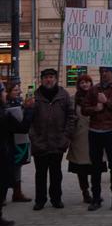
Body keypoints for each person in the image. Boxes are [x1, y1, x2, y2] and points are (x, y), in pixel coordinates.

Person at [29, 68, 75, 210]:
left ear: (55, 79)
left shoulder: (63, 95)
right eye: (46, 77)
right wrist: (34, 137)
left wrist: (65, 136)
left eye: (51, 77)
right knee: (40, 173)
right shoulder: (34, 96)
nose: (49, 80)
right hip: (40, 141)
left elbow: (71, 116)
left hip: (57, 141)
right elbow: (29, 119)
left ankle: (56, 198)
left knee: (56, 173)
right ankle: (40, 200)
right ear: (42, 79)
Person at [82, 66, 112, 211]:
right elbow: (84, 109)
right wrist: (96, 108)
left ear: (111, 73)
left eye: (106, 71)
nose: (103, 74)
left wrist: (107, 102)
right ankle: (96, 198)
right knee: (95, 167)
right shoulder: (94, 89)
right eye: (101, 71)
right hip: (94, 131)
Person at [0, 83, 34, 226]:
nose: (5, 94)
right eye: (4, 91)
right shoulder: (3, 113)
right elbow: (22, 127)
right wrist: (28, 111)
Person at [66, 74, 95, 204]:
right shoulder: (74, 99)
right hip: (79, 137)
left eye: (87, 82)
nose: (85, 84)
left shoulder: (96, 96)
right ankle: (85, 192)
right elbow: (70, 117)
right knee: (81, 168)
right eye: (82, 82)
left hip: (95, 134)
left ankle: (96, 191)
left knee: (96, 166)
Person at [4, 80, 32, 202]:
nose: (19, 91)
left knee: (18, 166)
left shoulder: (19, 102)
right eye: (15, 90)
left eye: (18, 89)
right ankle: (3, 195)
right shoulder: (5, 106)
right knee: (6, 167)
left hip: (20, 140)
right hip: (10, 140)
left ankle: (17, 192)